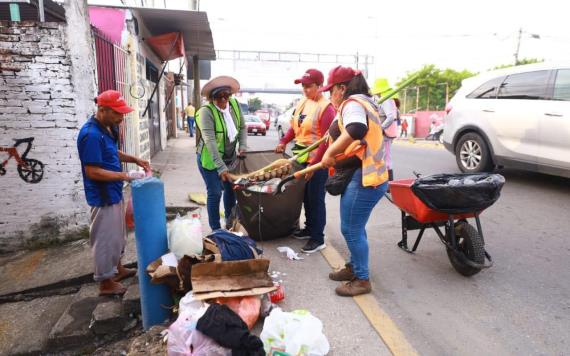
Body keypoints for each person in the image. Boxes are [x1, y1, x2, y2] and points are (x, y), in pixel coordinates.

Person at [319, 66, 389, 297]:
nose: (330, 96)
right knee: (354, 228)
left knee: (351, 228)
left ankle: (362, 279)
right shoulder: (366, 102)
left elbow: (357, 129)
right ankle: (353, 268)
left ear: (342, 88)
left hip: (366, 176)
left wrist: (330, 154)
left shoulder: (353, 104)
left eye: (332, 91)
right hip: (367, 174)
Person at [77, 90, 150, 296]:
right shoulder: (90, 134)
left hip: (114, 190)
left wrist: (135, 159)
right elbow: (92, 171)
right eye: (118, 113)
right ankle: (105, 283)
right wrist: (125, 176)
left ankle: (117, 269)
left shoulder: (108, 127)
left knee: (117, 235)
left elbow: (112, 152)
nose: (122, 117)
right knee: (104, 239)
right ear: (102, 110)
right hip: (103, 195)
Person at [274, 69, 335, 253]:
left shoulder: (326, 108)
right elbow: (294, 127)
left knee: (316, 199)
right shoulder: (303, 103)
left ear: (319, 86)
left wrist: (313, 166)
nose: (305, 89)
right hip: (301, 158)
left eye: (309, 86)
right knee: (306, 197)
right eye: (303, 86)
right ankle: (309, 229)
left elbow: (326, 141)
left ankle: (318, 238)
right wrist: (283, 141)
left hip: (317, 161)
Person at [195, 76, 247, 231]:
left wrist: (243, 145)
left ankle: (230, 223)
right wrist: (220, 167)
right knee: (215, 192)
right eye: (219, 97)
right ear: (212, 98)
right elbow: (210, 141)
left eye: (227, 96)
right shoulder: (206, 112)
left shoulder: (234, 105)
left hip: (230, 158)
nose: (224, 100)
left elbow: (242, 127)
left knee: (231, 190)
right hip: (210, 159)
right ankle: (216, 230)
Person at [370, 78, 400, 182]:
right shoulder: (386, 99)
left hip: (385, 133)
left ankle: (389, 183)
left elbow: (390, 117)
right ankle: (385, 182)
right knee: (383, 156)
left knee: (386, 157)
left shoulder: (386, 99)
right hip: (385, 132)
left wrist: (381, 128)